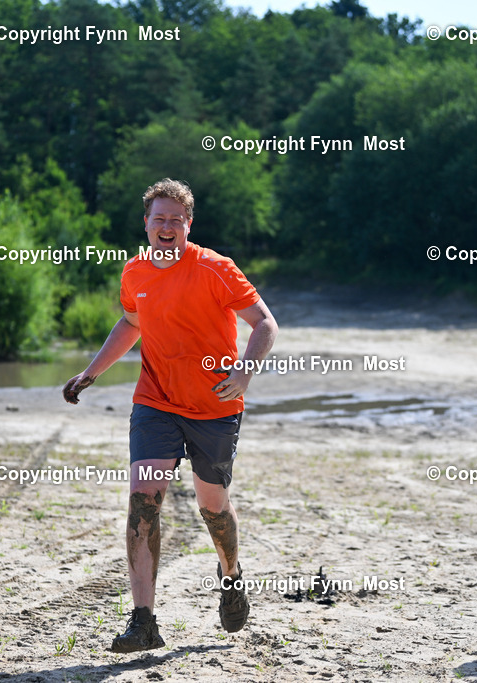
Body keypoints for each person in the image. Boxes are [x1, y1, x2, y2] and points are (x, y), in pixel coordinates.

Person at [62, 178, 278, 653]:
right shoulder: (135, 271)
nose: (166, 226)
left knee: (213, 506)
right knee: (143, 499)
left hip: (214, 405)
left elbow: (265, 323)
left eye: (175, 220)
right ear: (146, 223)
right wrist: (91, 372)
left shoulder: (216, 268)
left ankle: (231, 576)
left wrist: (244, 371)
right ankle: (144, 621)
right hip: (155, 401)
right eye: (158, 218)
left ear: (188, 225)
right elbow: (131, 323)